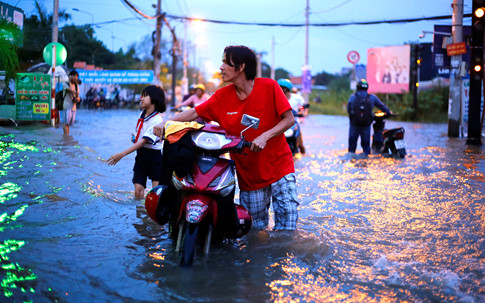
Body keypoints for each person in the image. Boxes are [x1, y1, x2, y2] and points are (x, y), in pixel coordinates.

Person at [154, 45, 299, 231]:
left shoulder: (269, 87)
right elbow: (194, 113)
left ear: (241, 67)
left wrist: (265, 136)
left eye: (225, 63)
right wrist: (166, 122)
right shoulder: (221, 97)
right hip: (249, 176)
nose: (221, 68)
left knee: (287, 230)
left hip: (281, 168)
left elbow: (289, 120)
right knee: (255, 232)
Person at [107, 85, 166, 199]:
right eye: (142, 96)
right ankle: (140, 214)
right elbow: (141, 138)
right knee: (138, 191)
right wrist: (135, 138)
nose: (141, 99)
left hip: (155, 157)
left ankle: (152, 215)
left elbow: (144, 141)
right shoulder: (142, 115)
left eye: (145, 96)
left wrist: (121, 154)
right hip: (141, 155)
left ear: (154, 98)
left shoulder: (157, 120)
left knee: (156, 192)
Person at [347, 79, 391, 156]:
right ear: (367, 88)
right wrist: (388, 112)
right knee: (366, 148)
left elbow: (349, 110)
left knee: (351, 148)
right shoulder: (372, 97)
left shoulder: (352, 97)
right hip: (366, 125)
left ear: (357, 87)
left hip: (354, 125)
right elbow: (382, 106)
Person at [277, 78, 306, 155]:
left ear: (286, 89)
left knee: (300, 143)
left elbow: (302, 106)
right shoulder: (277, 97)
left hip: (294, 122)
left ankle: (303, 153)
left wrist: (301, 111)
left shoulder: (296, 98)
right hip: (280, 122)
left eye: (281, 87)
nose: (279, 89)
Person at [62, 70, 81, 135]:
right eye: (74, 76)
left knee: (69, 124)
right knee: (66, 123)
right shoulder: (66, 83)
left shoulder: (76, 85)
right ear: (70, 76)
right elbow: (70, 90)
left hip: (73, 107)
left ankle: (67, 136)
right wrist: (70, 82)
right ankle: (65, 136)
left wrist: (78, 99)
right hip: (67, 106)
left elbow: (78, 95)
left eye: (76, 76)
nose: (75, 77)